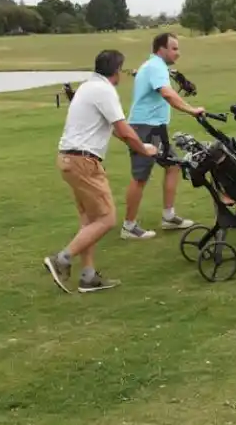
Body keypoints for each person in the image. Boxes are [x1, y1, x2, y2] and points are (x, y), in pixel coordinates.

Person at [42, 49, 159, 294]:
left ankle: (88, 276)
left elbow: (113, 129)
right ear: (116, 71)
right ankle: (62, 259)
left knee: (90, 220)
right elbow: (124, 130)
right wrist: (144, 150)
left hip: (68, 160)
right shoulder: (105, 90)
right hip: (84, 162)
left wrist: (139, 145)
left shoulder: (87, 87)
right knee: (107, 219)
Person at [121, 32, 206, 240]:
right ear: (161, 49)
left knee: (173, 166)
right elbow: (167, 93)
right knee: (140, 177)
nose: (178, 53)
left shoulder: (154, 66)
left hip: (156, 128)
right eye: (174, 48)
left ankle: (168, 216)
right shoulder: (156, 67)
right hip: (144, 129)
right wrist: (191, 109)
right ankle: (128, 227)